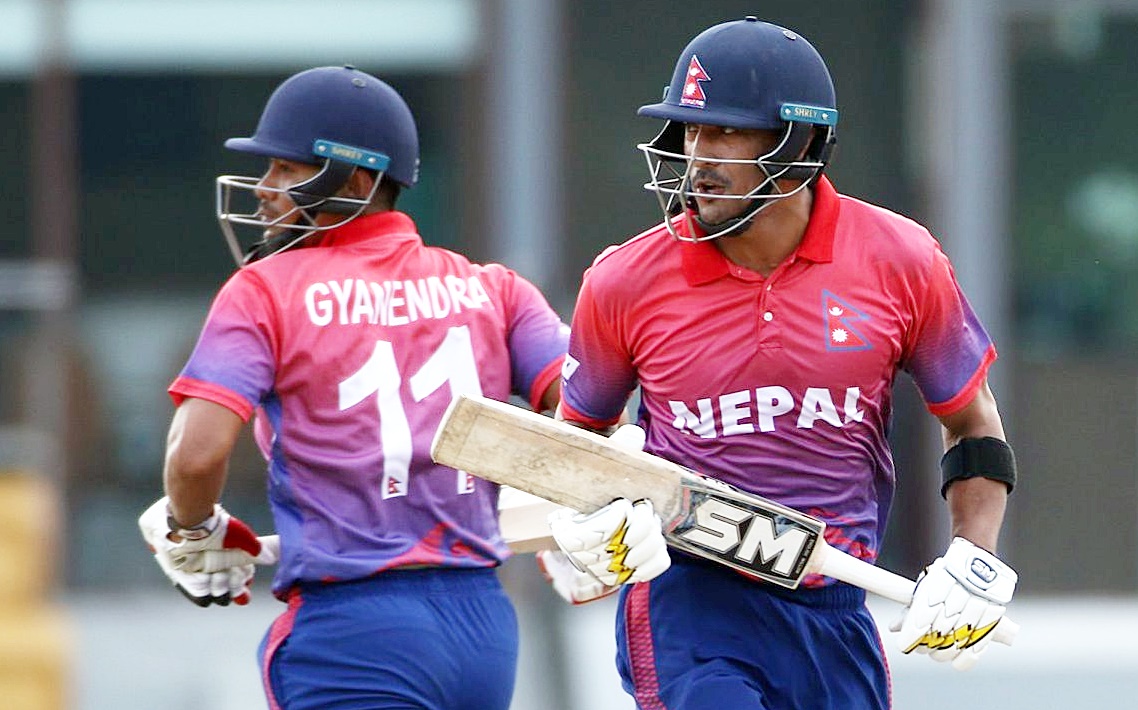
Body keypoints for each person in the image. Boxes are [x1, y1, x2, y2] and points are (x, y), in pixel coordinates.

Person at [539, 17, 1018, 710]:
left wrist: (975, 555)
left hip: (835, 607)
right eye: (690, 131)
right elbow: (574, 443)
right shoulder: (623, 281)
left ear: (799, 142)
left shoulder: (901, 259)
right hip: (691, 603)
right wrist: (582, 526)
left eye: (725, 132)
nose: (698, 157)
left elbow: (972, 426)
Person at [136, 65, 569, 710]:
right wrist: (582, 516)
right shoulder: (496, 288)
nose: (264, 189)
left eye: (285, 169)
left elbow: (196, 456)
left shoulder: (265, 291)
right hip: (482, 631)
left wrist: (192, 530)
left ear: (356, 182)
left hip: (351, 630)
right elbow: (591, 415)